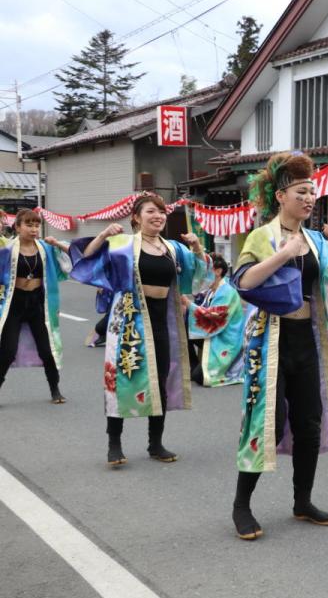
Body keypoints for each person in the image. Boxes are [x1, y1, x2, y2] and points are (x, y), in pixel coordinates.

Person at [230, 151, 328, 541]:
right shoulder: (263, 236)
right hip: (270, 341)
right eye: (301, 192)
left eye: (312, 192)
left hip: (308, 339)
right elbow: (243, 281)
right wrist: (283, 254)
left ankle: (302, 501)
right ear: (280, 196)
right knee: (265, 424)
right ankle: (241, 505)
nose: (309, 199)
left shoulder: (314, 239)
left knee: (309, 423)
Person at [71, 193, 210, 467]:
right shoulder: (122, 244)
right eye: (151, 212)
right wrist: (103, 235)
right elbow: (86, 260)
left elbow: (198, 274)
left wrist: (196, 247)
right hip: (129, 321)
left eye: (161, 212)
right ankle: (114, 444)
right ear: (136, 217)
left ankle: (155, 443)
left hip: (162, 320)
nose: (158, 216)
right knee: (120, 380)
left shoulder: (173, 248)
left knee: (160, 380)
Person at [0, 209, 72, 404]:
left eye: (36, 225)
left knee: (47, 351)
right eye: (28, 225)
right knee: (7, 352)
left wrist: (57, 244)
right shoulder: (7, 248)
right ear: (17, 227)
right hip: (14, 304)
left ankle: (55, 390)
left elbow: (72, 258)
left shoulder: (46, 247)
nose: (33, 229)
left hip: (38, 305)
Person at [184, 254, 250, 387]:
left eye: (206, 270)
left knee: (201, 377)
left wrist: (188, 303)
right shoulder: (211, 290)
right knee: (185, 323)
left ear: (218, 271)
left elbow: (213, 317)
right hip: (217, 335)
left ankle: (198, 367)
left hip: (226, 340)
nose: (202, 274)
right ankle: (193, 364)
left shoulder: (227, 291)